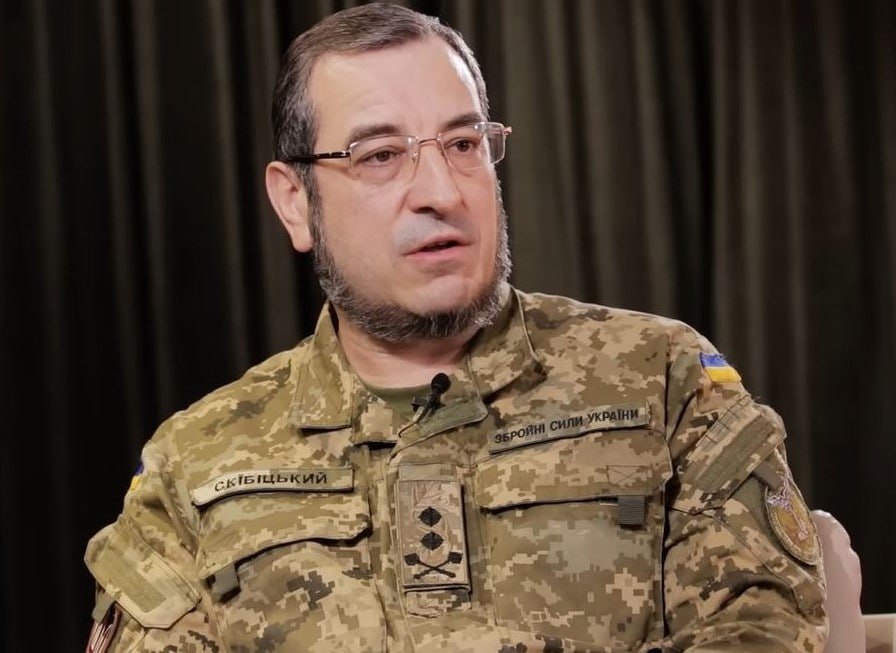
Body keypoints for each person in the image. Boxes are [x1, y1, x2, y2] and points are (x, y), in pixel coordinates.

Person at [83, 3, 829, 652]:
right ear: (295, 203)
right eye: (381, 156)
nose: (440, 191)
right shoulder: (196, 465)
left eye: (464, 144)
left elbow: (762, 629)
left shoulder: (663, 380)